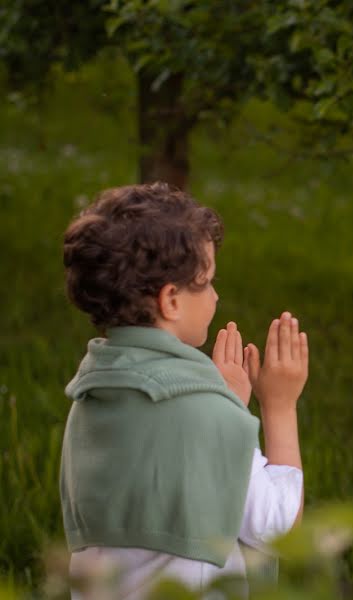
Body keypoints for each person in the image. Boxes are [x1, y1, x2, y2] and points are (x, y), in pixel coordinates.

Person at [60, 183, 308, 599]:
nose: (216, 296)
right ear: (171, 299)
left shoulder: (91, 398)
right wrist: (279, 407)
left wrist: (222, 402)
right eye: (207, 282)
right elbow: (279, 528)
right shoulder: (205, 413)